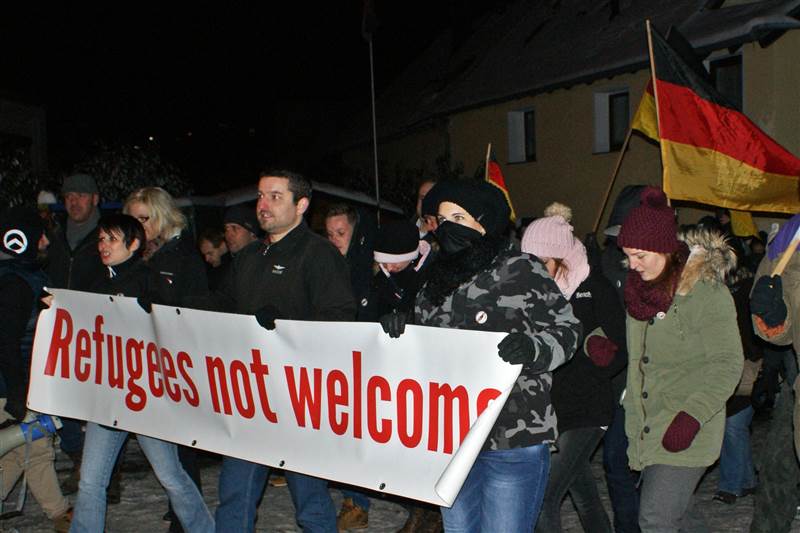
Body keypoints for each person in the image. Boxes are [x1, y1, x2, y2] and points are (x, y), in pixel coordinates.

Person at [386, 180, 581, 532]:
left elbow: (567, 331)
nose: (448, 227)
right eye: (441, 219)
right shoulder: (433, 282)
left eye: (458, 216)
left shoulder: (521, 269)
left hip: (513, 437)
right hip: (451, 439)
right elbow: (424, 353)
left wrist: (533, 349)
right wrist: (400, 329)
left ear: (484, 222)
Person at [205, 169, 355, 532]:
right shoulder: (250, 255)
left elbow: (340, 320)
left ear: (301, 204)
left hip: (298, 399)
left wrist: (286, 325)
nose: (263, 205)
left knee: (310, 501)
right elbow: (218, 307)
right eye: (260, 196)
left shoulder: (318, 254)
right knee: (235, 496)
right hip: (251, 395)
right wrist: (161, 304)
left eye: (275, 196)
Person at [67, 213, 214, 532]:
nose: (104, 246)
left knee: (171, 476)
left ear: (133, 244)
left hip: (144, 398)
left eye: (112, 239)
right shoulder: (96, 283)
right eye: (101, 239)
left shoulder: (150, 280)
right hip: (108, 397)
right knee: (91, 481)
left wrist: (155, 309)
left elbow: (175, 326)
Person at [617, 187, 742, 532]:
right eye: (628, 255)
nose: (633, 264)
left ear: (665, 249)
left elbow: (728, 362)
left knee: (655, 518)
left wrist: (693, 414)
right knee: (681, 517)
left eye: (640, 255)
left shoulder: (705, 292)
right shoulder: (637, 292)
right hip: (647, 427)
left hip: (688, 423)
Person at [523, 203, 622, 533]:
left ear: (561, 257)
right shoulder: (535, 293)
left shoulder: (596, 287)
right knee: (584, 496)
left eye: (540, 263)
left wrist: (601, 351)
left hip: (588, 408)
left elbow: (621, 349)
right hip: (552, 410)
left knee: (543, 496)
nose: (532, 271)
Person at [336, 220, 435, 532]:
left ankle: (427, 514)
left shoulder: (430, 275)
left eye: (396, 259)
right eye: (383, 260)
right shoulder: (378, 279)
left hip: (422, 379)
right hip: (384, 378)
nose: (390, 266)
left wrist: (411, 320)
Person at [123, 187, 208, 532]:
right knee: (169, 441)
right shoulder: (145, 255)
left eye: (146, 218)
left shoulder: (183, 255)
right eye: (135, 219)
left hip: (181, 361)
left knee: (184, 445)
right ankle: (180, 509)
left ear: (162, 216)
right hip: (153, 360)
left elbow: (195, 307)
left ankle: (187, 518)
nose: (140, 226)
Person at [0, 207, 72, 532]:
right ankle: (62, 516)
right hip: (13, 385)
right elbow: (6, 341)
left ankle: (60, 514)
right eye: (39, 234)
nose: (45, 241)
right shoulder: (16, 283)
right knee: (37, 447)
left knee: (19, 452)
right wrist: (17, 391)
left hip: (20, 383)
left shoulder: (21, 276)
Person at [45, 173, 106, 496]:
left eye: (81, 195)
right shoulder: (55, 237)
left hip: (98, 334)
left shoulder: (105, 236)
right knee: (60, 400)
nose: (74, 201)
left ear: (95, 199)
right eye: (69, 195)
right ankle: (81, 458)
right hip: (62, 333)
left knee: (101, 404)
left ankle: (105, 472)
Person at [748, 213, 800, 533]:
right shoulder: (790, 243)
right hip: (794, 378)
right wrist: (772, 313)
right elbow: (779, 329)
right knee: (779, 467)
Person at [598, 184, 644, 533]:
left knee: (652, 466)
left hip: (655, 383)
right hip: (616, 381)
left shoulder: (670, 271)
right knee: (615, 460)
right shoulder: (605, 265)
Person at [713, 262, 760, 505]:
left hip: (749, 367)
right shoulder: (718, 293)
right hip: (730, 364)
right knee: (734, 427)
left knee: (732, 425)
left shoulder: (747, 290)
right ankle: (747, 480)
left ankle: (730, 486)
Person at [324, 203, 375, 320]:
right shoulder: (324, 265)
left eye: (341, 233)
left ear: (355, 232)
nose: (334, 240)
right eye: (330, 235)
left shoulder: (368, 269)